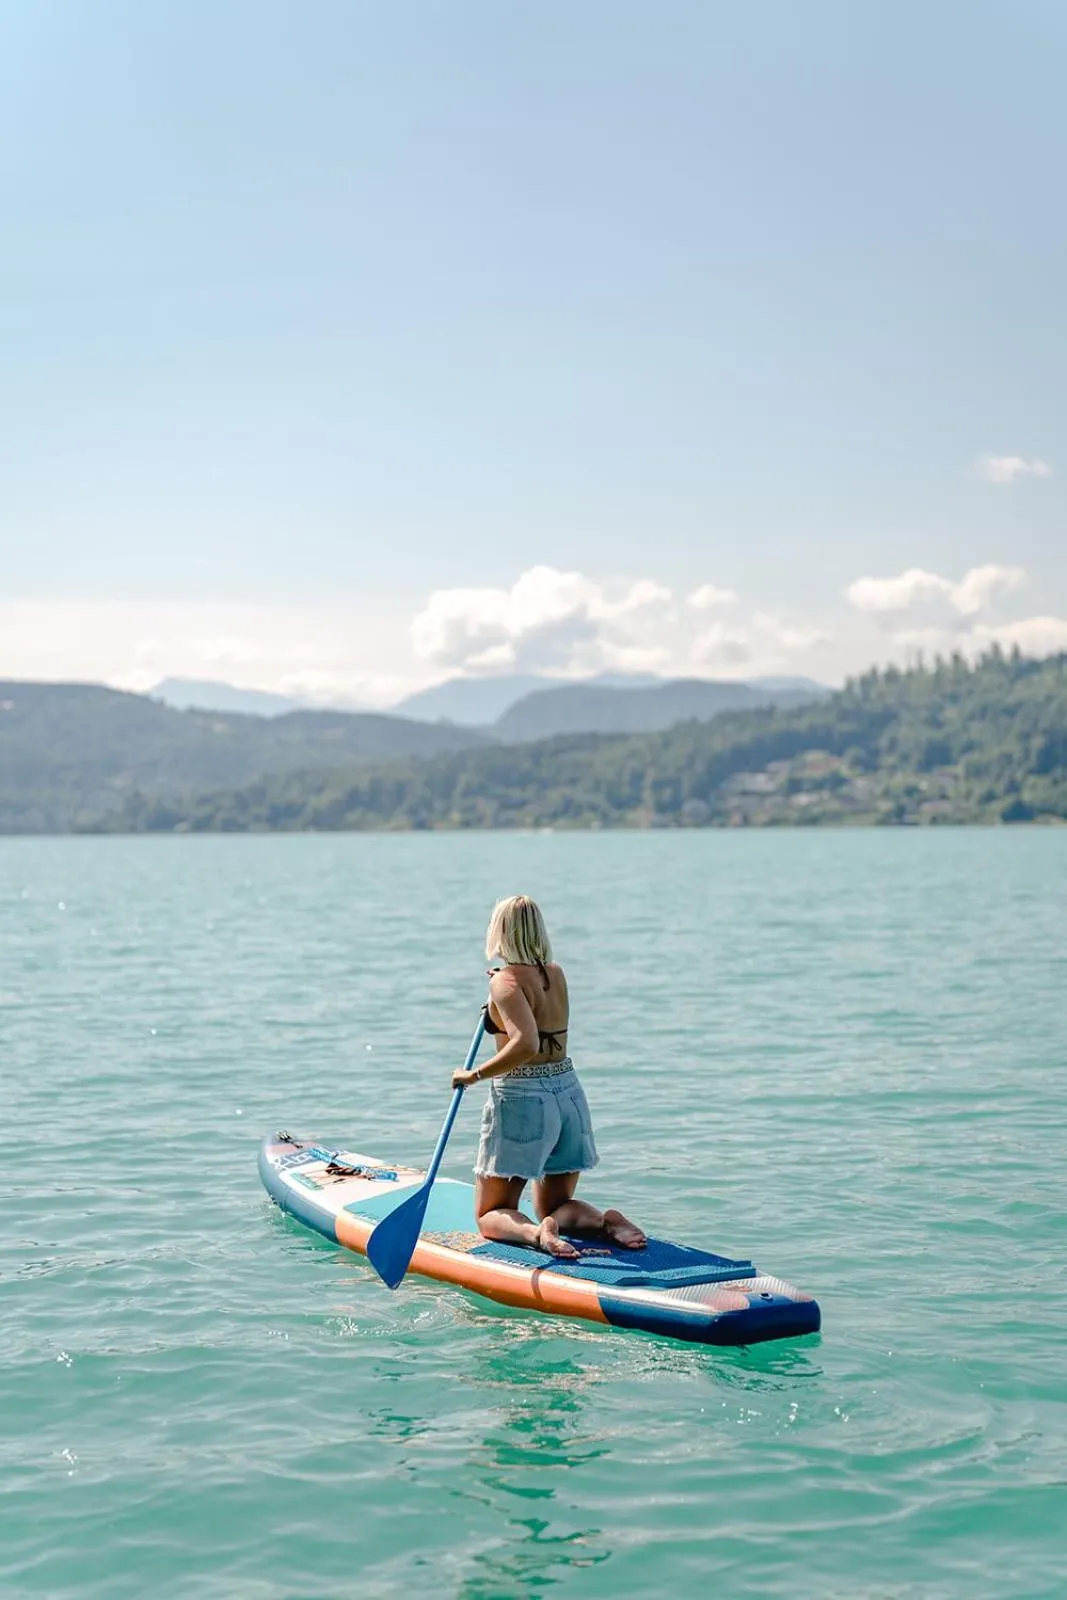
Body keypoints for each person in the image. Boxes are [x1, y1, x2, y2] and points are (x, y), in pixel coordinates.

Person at [451, 894, 646, 1260]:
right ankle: (605, 1222)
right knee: (556, 1205)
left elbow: (526, 1042)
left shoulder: (505, 983)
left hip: (525, 1097)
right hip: (567, 1092)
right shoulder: (554, 974)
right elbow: (534, 1016)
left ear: (500, 932)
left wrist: (472, 1075)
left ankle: (537, 1236)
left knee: (489, 1214)